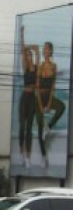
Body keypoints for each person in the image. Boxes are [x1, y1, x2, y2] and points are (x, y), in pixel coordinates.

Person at [37, 40, 66, 169]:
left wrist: (49, 103)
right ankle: (43, 157)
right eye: (44, 49)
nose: (45, 51)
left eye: (47, 48)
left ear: (51, 51)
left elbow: (53, 85)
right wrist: (40, 105)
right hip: (39, 97)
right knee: (39, 128)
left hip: (48, 96)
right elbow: (37, 87)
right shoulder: (40, 66)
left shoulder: (54, 66)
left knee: (62, 107)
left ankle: (48, 126)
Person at [17, 26, 39, 168]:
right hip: (24, 96)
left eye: (29, 55)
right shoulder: (25, 67)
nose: (28, 57)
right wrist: (22, 35)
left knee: (30, 127)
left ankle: (29, 157)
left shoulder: (36, 67)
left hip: (32, 98)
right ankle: (22, 155)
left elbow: (37, 48)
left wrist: (29, 48)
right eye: (27, 55)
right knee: (22, 127)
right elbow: (22, 49)